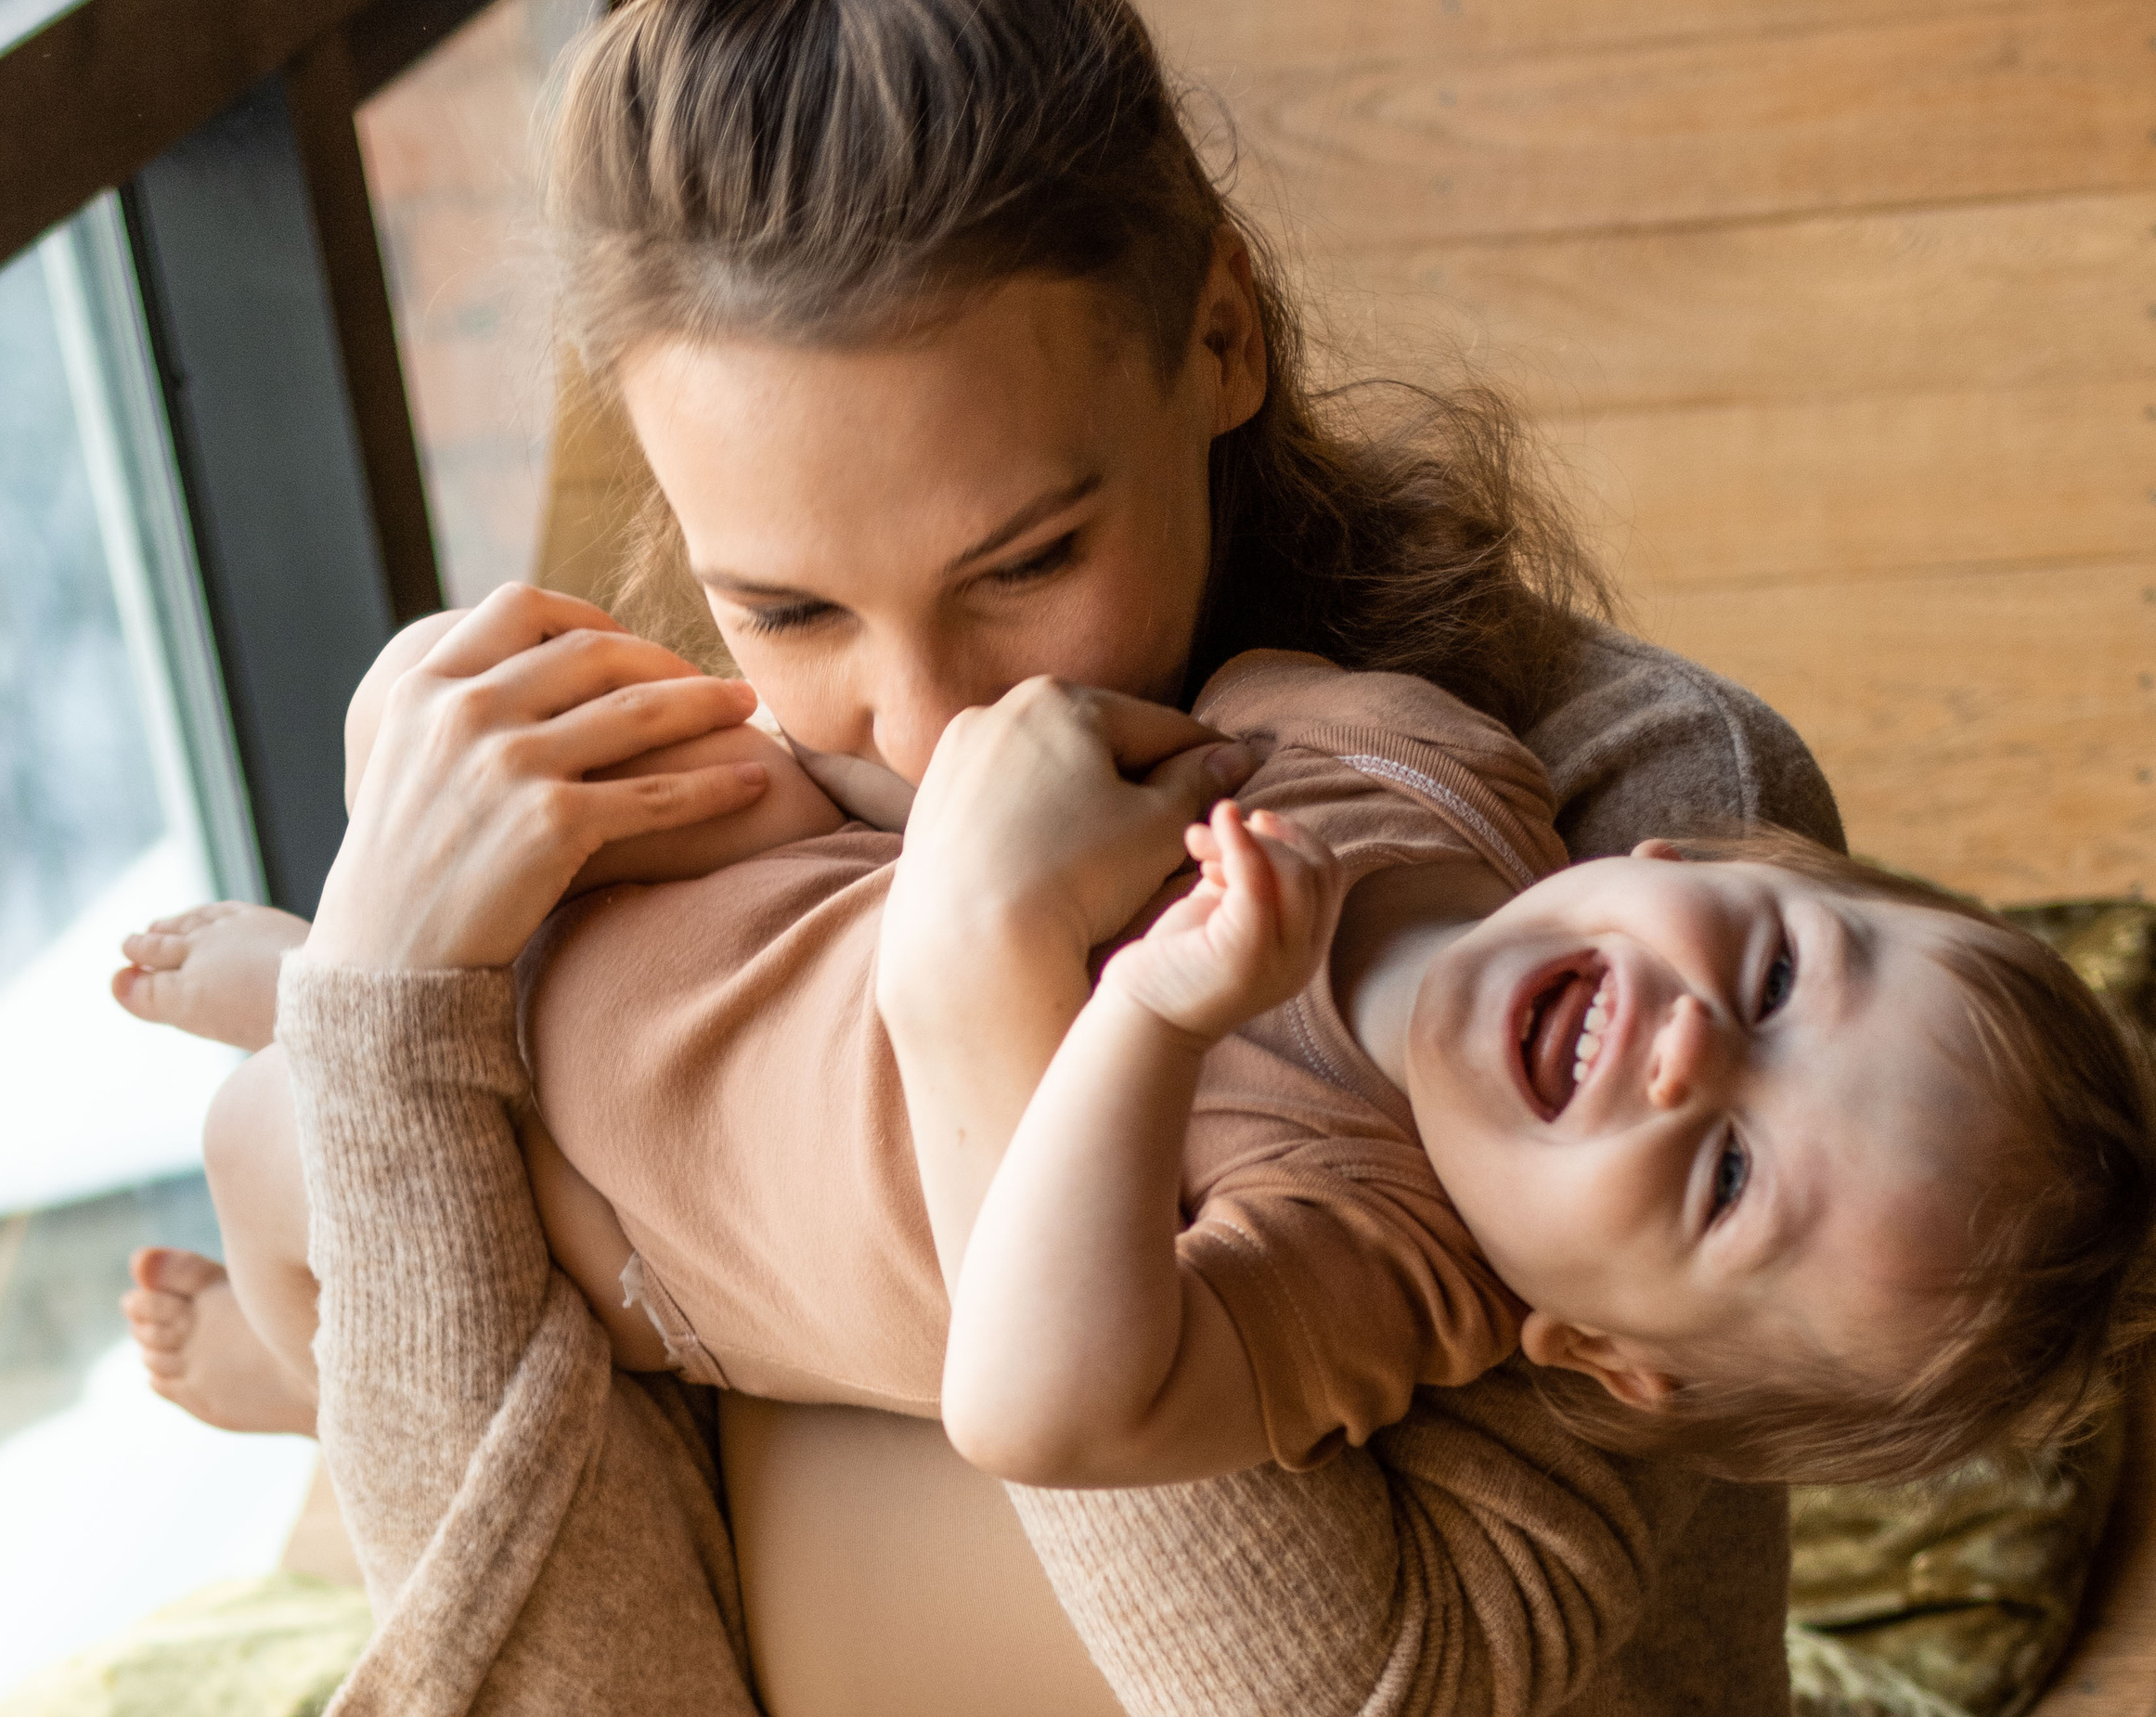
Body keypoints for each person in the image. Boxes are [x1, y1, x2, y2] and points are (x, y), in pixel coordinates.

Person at [104, 0, 2028, 1709]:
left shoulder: (1632, 822)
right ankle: (339, 1346)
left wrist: (972, 1000)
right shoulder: (842, 760)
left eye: (1022, 564)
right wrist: (380, 980)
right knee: (318, 1114)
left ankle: (351, 1374)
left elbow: (1293, 1673)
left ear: (1217, 333)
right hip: (694, 1340)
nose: (929, 724)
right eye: (780, 606)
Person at [125, 640, 2152, 1498]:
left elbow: (1041, 1407)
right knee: (509, 720)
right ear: (1691, 858)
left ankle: (297, 1367)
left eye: (1723, 1183)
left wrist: (1159, 1016)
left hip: (626, 1218)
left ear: (1598, 1350)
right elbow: (1112, 717)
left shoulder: (1384, 1264)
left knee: (283, 1147)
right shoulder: (1428, 764)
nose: (1696, 1048)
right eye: (1781, 975)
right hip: (782, 898)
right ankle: (347, 956)